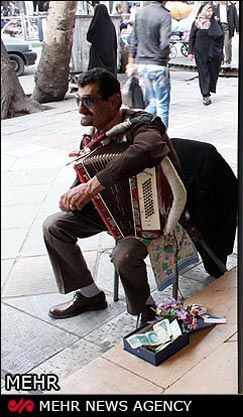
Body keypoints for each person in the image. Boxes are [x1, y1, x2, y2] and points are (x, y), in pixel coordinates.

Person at [43, 68, 182, 328]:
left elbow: (150, 147)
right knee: (54, 226)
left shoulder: (142, 123)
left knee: (124, 255)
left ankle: (145, 307)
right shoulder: (93, 137)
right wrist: (77, 194)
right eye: (78, 101)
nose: (81, 110)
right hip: (110, 212)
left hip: (150, 215)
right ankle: (89, 294)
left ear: (114, 101)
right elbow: (89, 169)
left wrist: (95, 185)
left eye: (88, 101)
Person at [128, 1, 172, 129]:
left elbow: (133, 40)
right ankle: (162, 136)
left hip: (141, 64)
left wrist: (131, 62)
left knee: (152, 101)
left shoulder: (140, 13)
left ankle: (138, 126)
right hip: (157, 64)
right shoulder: (164, 15)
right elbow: (164, 44)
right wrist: (164, 56)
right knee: (162, 104)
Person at [188, 3, 223, 106]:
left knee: (212, 71)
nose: (210, 13)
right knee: (203, 72)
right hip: (200, 52)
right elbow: (191, 37)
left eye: (211, 11)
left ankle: (210, 89)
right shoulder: (197, 22)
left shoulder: (215, 22)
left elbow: (220, 38)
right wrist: (190, 52)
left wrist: (221, 53)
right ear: (203, 11)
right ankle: (205, 94)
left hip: (213, 52)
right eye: (208, 11)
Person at [87, 4, 118, 75]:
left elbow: (89, 37)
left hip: (97, 56)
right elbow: (114, 43)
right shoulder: (111, 25)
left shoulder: (96, 25)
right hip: (109, 56)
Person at [213, 1, 238, 69]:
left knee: (227, 44)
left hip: (228, 27)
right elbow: (212, 16)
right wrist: (215, 19)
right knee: (219, 45)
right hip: (219, 26)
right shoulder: (215, 6)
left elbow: (235, 17)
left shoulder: (231, 6)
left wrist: (237, 29)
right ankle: (221, 60)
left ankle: (228, 61)